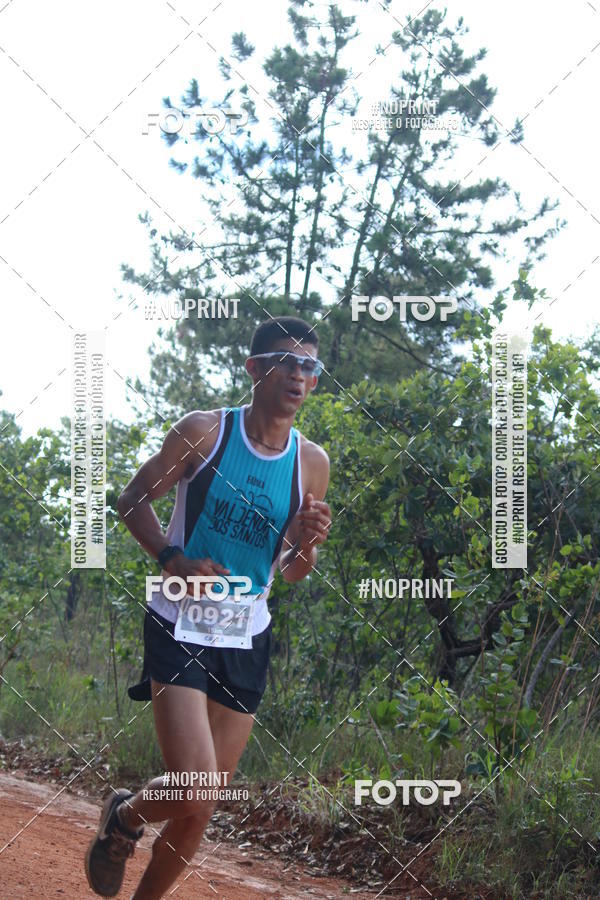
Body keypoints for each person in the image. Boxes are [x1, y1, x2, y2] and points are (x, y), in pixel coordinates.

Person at [84, 316, 332, 899]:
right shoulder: (205, 433)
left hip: (247, 633)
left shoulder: (311, 463)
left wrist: (307, 540)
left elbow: (293, 570)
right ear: (254, 370)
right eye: (285, 363)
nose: (298, 375)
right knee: (194, 786)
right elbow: (132, 499)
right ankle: (125, 815)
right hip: (180, 618)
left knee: (204, 804)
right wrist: (174, 560)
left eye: (309, 367)